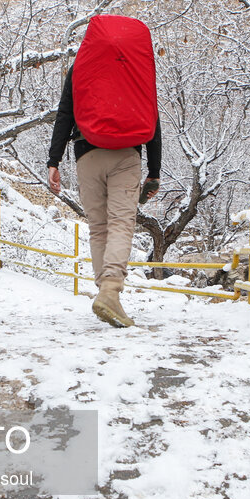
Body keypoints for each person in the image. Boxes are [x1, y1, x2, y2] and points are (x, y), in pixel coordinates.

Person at [47, 18, 161, 328]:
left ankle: (106, 295)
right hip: (127, 153)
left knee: (98, 227)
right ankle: (110, 291)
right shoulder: (136, 69)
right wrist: (154, 170)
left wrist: (53, 160)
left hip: (87, 152)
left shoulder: (81, 67)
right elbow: (152, 118)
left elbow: (65, 113)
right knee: (122, 223)